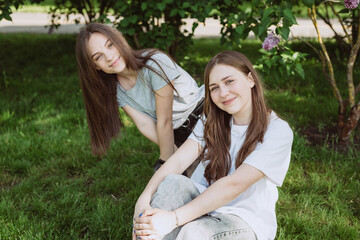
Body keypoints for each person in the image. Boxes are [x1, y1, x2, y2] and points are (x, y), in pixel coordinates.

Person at [132, 50, 293, 240]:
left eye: (229, 81)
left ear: (251, 79)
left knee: (194, 233)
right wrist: (143, 200)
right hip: (204, 204)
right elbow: (176, 163)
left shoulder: (277, 131)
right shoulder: (211, 120)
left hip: (243, 220)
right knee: (172, 182)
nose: (223, 93)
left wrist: (173, 219)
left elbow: (233, 185)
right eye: (214, 87)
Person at [76, 23, 204, 172]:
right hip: (178, 136)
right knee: (184, 184)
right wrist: (175, 158)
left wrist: (165, 162)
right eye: (98, 57)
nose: (109, 57)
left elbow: (165, 120)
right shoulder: (116, 89)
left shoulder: (154, 62)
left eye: (110, 45)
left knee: (218, 177)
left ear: (120, 40)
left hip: (204, 118)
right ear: (95, 66)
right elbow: (145, 124)